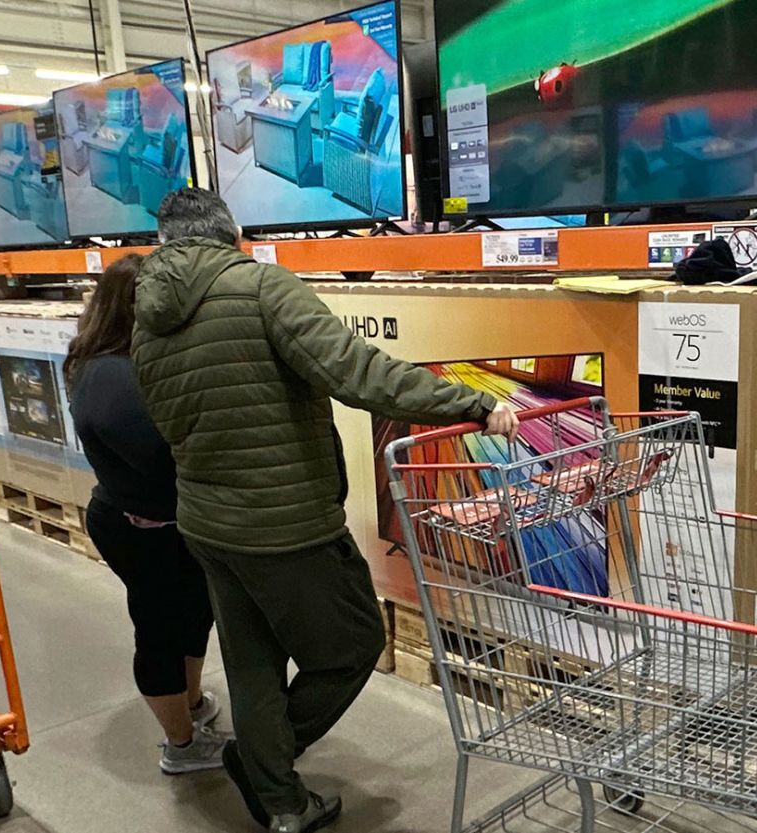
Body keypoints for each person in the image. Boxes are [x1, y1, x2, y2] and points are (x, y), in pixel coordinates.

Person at [131, 189, 518, 833]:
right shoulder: (262, 289)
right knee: (356, 642)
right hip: (286, 525)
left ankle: (281, 801)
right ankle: (264, 765)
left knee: (253, 659)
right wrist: (471, 405)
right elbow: (358, 375)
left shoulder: (147, 315)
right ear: (235, 234)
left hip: (208, 522)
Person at [65, 253, 229, 775]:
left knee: (193, 615)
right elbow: (167, 458)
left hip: (168, 525)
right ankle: (180, 745)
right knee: (159, 629)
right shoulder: (112, 377)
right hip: (141, 528)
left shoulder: (120, 361)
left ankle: (192, 702)